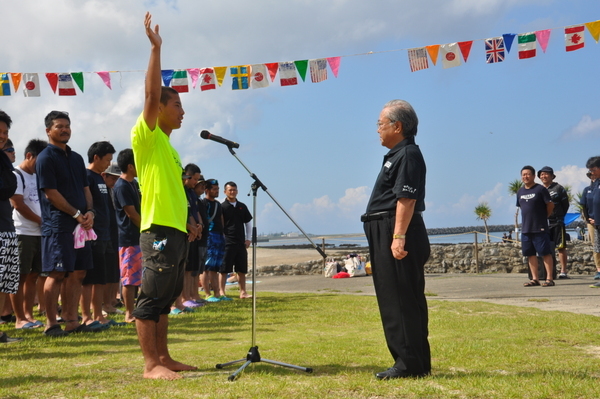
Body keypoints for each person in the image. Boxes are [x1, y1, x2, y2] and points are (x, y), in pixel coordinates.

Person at [130, 12, 196, 380]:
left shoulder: (170, 149)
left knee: (166, 300)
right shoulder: (149, 138)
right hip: (156, 231)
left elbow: (173, 193)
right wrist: (156, 50)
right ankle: (150, 364)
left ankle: (165, 357)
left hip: (175, 230)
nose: (182, 111)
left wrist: (187, 221)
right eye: (177, 106)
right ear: (158, 110)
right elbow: (151, 92)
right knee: (150, 299)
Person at [361, 99, 430, 380]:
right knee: (395, 298)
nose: (377, 129)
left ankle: (409, 364)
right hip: (385, 228)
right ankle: (411, 361)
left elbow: (407, 197)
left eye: (380, 123)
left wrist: (398, 236)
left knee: (400, 299)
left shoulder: (408, 154)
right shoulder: (397, 154)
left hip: (396, 229)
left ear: (397, 126)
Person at [36, 110, 104, 336]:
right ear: (49, 131)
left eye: (67, 125)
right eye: (59, 126)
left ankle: (72, 321)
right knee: (56, 273)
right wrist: (76, 214)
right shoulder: (45, 158)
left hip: (81, 225)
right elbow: (50, 194)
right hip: (58, 225)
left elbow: (86, 189)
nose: (65, 129)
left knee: (78, 272)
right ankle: (50, 324)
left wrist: (90, 213)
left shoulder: (76, 158)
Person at [9, 139, 47, 329]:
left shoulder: (38, 176)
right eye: (39, 161)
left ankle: (29, 315)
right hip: (22, 232)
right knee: (19, 277)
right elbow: (18, 204)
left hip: (40, 234)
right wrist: (42, 221)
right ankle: (19, 318)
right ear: (29, 156)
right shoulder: (16, 175)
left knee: (33, 276)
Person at [81, 141, 116, 327]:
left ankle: (98, 315)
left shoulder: (101, 178)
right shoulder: (86, 176)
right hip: (91, 235)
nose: (109, 164)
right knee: (89, 279)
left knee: (101, 278)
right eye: (107, 160)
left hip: (105, 234)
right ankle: (86, 316)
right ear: (96, 157)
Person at [0, 109, 23, 343]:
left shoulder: (4, 160)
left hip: (6, 226)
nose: (2, 135)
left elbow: (9, 187)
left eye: (5, 132)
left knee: (4, 280)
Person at [112, 150, 141, 322]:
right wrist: (146, 228)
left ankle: (136, 310)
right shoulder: (121, 186)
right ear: (130, 166)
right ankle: (129, 313)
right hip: (128, 238)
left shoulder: (134, 183)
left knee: (139, 277)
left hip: (137, 237)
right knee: (129, 279)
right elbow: (131, 213)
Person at [518, 165, 555, 287]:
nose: (526, 176)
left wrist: (544, 217)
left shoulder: (540, 189)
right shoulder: (520, 191)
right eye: (523, 174)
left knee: (545, 253)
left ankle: (549, 278)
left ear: (534, 176)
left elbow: (550, 205)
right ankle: (535, 279)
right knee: (530, 254)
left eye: (528, 174)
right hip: (526, 228)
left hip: (540, 227)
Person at [221, 181, 252, 299]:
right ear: (225, 192)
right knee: (224, 269)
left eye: (234, 190)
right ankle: (222, 292)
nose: (232, 192)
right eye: (230, 190)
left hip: (240, 242)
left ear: (237, 191)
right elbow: (220, 224)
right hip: (227, 242)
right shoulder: (222, 207)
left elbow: (248, 223)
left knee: (241, 269)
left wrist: (248, 239)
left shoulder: (242, 206)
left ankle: (243, 292)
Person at [538, 166, 570, 279]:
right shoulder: (539, 189)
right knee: (545, 248)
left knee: (561, 247)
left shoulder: (558, 188)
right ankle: (548, 272)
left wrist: (559, 216)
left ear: (552, 176)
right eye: (541, 174)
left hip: (557, 222)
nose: (544, 176)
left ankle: (563, 271)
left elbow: (566, 205)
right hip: (543, 223)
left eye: (546, 174)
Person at [202, 178, 226, 302]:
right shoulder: (203, 203)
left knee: (216, 266)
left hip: (218, 236)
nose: (217, 191)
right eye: (214, 189)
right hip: (208, 235)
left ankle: (217, 293)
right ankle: (207, 294)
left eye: (217, 189)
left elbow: (221, 219)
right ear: (207, 190)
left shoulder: (217, 204)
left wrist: (223, 233)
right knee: (207, 266)